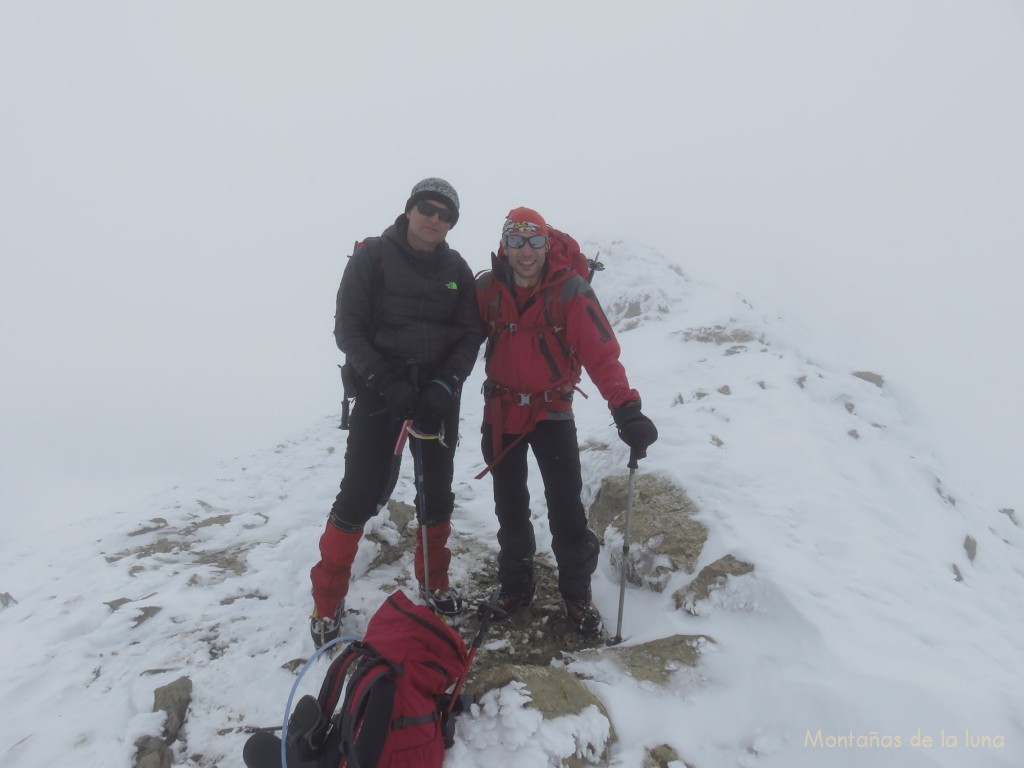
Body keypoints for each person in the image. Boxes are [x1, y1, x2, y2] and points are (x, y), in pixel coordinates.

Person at [309, 178, 481, 648]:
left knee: (436, 495)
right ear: (409, 210)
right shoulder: (372, 257)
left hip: (436, 398)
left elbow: (471, 334)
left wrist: (445, 385)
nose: (434, 218)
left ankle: (434, 583)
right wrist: (386, 380)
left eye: (445, 214)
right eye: (427, 208)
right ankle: (326, 602)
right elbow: (348, 328)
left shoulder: (457, 270)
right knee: (359, 494)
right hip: (380, 392)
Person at [475, 207, 658, 639]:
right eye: (516, 241)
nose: (526, 251)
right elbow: (460, 339)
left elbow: (601, 354)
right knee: (510, 506)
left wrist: (626, 408)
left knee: (566, 510)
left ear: (547, 244)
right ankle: (516, 586)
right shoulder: (487, 288)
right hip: (501, 414)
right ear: (505, 243)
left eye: (535, 241)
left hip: (551, 413)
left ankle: (576, 594)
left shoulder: (571, 291)